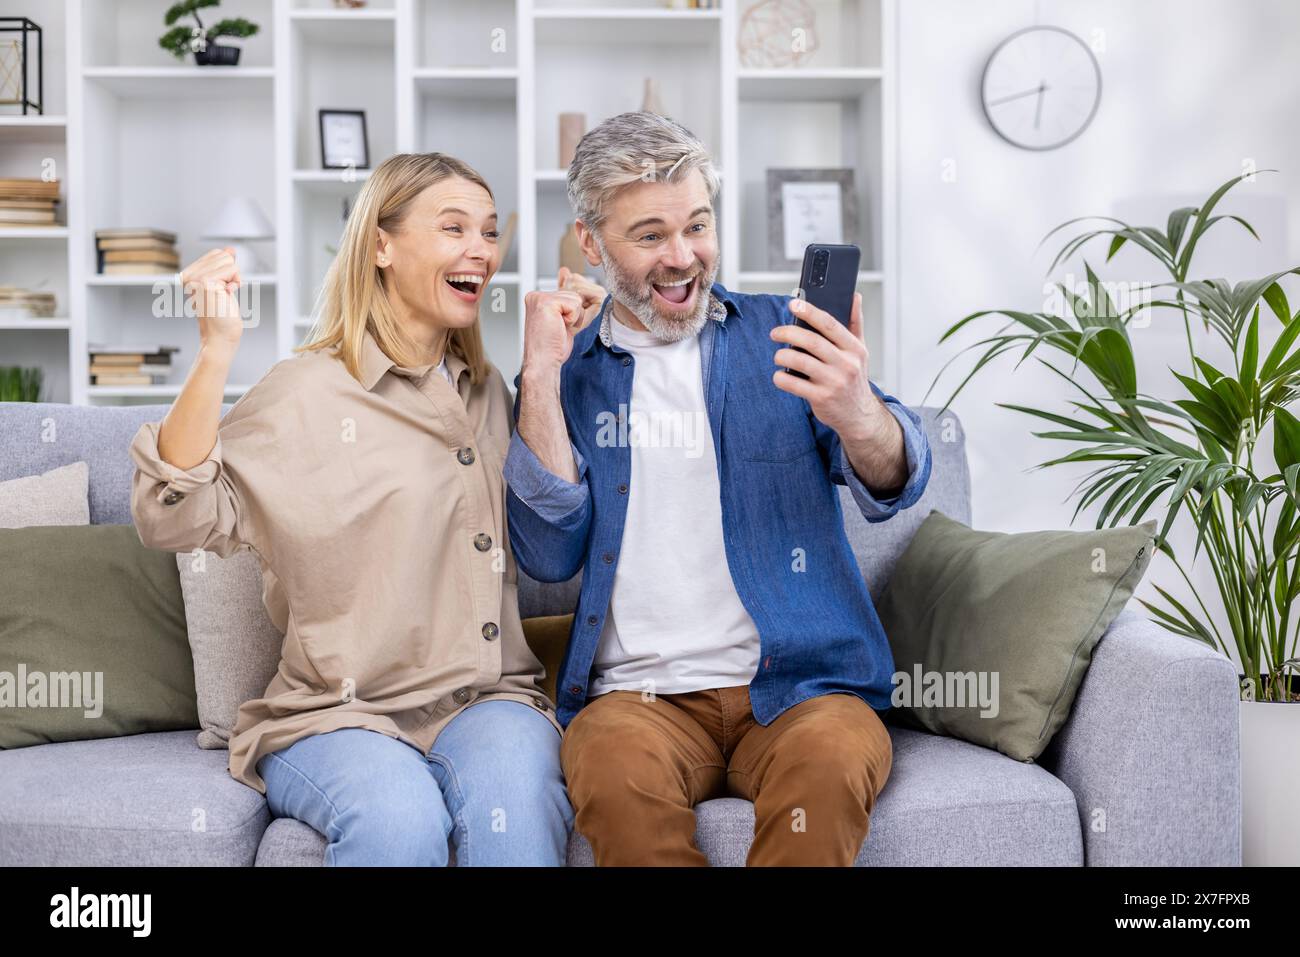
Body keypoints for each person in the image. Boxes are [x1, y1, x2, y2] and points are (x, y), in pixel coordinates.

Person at [504, 111, 933, 866]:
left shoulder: (784, 336)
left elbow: (894, 482)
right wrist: (538, 376)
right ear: (590, 243)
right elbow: (546, 553)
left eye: (697, 225)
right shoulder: (567, 374)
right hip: (637, 702)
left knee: (830, 770)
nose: (682, 258)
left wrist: (858, 410)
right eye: (649, 236)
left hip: (806, 690)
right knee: (610, 777)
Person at [129, 152, 573, 866]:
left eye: (490, 232)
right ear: (381, 245)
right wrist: (215, 354)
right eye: (453, 227)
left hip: (487, 701)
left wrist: (556, 365)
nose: (480, 250)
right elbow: (171, 515)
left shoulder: (488, 392)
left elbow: (558, 521)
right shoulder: (306, 393)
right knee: (399, 823)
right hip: (338, 714)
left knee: (515, 817)